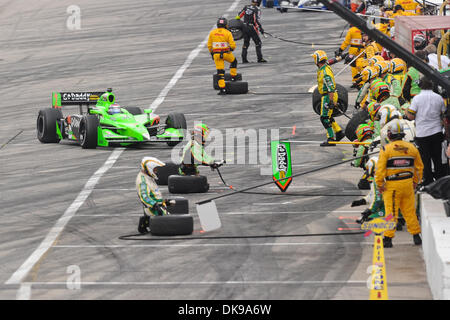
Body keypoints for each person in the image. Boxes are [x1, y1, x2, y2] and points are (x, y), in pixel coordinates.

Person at [374, 119, 424, 248]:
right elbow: (419, 168)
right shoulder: (412, 148)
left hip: (392, 186)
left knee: (391, 212)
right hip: (408, 184)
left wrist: (380, 184)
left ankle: (388, 238)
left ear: (390, 134)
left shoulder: (386, 149)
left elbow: (380, 171)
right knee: (409, 211)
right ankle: (416, 236)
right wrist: (415, 182)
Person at [406, 76, 447, 186]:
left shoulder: (417, 99)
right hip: (437, 132)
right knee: (437, 158)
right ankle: (439, 180)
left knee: (425, 159)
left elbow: (411, 116)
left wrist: (406, 111)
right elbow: (444, 116)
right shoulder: (438, 98)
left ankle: (428, 181)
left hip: (422, 133)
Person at [312, 50, 345, 146]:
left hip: (328, 96)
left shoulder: (325, 73)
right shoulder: (324, 67)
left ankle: (331, 138)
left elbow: (330, 88)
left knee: (324, 118)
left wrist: (331, 101)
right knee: (328, 117)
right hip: (328, 95)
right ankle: (338, 132)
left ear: (317, 60)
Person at [136, 157, 174, 234]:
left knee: (174, 204)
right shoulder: (143, 181)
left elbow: (153, 194)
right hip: (152, 209)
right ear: (149, 168)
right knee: (174, 224)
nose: (156, 171)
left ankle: (147, 220)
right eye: (155, 169)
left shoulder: (148, 177)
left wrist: (164, 202)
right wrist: (155, 205)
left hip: (157, 205)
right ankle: (146, 221)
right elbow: (145, 197)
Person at [207, 17, 238, 95]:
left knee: (220, 71)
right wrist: (231, 49)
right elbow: (233, 45)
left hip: (216, 55)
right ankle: (233, 77)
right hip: (226, 53)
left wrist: (212, 53)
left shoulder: (212, 32)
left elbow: (209, 45)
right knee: (234, 61)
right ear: (225, 25)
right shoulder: (228, 33)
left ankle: (222, 89)